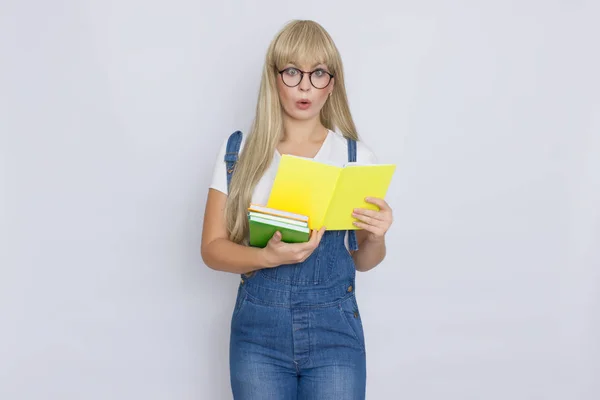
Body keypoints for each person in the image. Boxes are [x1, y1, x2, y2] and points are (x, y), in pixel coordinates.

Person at [201, 19, 394, 400]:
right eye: (292, 72)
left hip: (335, 332)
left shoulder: (355, 157)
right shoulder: (238, 151)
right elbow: (211, 249)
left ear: (332, 83)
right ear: (274, 78)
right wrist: (266, 257)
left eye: (318, 73)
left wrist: (376, 236)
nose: (305, 85)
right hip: (258, 334)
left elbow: (363, 260)